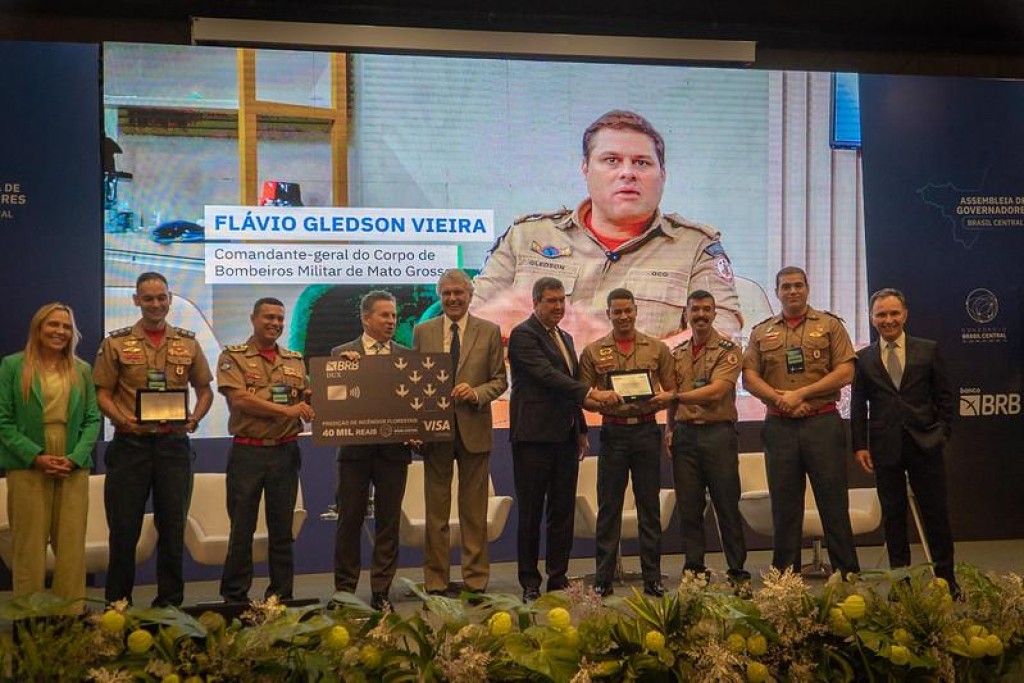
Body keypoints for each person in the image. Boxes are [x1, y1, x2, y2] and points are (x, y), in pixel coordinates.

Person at [471, 109, 742, 345]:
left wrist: (619, 355)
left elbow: (721, 335)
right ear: (586, 169)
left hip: (641, 388)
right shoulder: (525, 237)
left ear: (663, 175)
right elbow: (467, 326)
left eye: (642, 162)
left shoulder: (696, 248)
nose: (627, 173)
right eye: (611, 160)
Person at [93, 272, 214, 606]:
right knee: (124, 530)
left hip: (173, 446)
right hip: (129, 446)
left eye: (161, 297)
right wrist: (122, 420)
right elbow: (102, 393)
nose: (156, 304)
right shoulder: (115, 343)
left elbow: (205, 390)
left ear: (170, 299)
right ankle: (118, 605)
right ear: (136, 300)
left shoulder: (188, 343)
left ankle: (170, 605)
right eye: (148, 298)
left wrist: (195, 418)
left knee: (173, 529)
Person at [507, 276, 621, 602]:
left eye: (561, 300)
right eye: (551, 301)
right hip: (533, 438)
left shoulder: (566, 337)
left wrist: (581, 428)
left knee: (562, 511)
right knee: (531, 512)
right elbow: (547, 376)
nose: (558, 306)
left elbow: (567, 388)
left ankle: (557, 577)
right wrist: (591, 393)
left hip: (565, 437)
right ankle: (530, 581)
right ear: (536, 303)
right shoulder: (522, 335)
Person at [741, 266, 860, 577]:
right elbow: (750, 377)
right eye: (786, 287)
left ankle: (847, 576)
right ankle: (784, 581)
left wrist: (801, 394)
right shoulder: (761, 331)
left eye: (798, 285)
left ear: (807, 288)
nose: (792, 291)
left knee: (833, 504)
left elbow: (846, 371)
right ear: (777, 292)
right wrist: (780, 399)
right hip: (779, 427)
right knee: (784, 507)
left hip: (822, 424)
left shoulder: (830, 325)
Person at [850, 288, 957, 591]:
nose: (888, 320)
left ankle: (947, 582)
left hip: (925, 444)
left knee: (936, 516)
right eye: (881, 314)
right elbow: (857, 406)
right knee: (894, 519)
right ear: (872, 318)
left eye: (894, 313)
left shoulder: (928, 350)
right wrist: (860, 445)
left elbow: (945, 398)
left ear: (905, 315)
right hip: (885, 448)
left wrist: (941, 434)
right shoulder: (863, 358)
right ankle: (901, 586)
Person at [412, 269, 508, 596]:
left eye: (459, 293)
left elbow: (500, 380)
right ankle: (436, 581)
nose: (453, 299)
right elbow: (413, 380)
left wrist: (476, 393)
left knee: (474, 513)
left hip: (474, 430)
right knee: (435, 514)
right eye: (447, 294)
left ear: (470, 295)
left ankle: (475, 581)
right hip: (434, 434)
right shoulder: (422, 331)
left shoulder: (489, 330)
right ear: (439, 296)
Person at [0, 303, 100, 608]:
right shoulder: (13, 366)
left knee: (71, 548)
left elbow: (92, 419)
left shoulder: (82, 370)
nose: (60, 331)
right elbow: (3, 420)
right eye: (53, 325)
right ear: (38, 328)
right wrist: (35, 456)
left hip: (72, 464)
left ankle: (69, 618)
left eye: (66, 326)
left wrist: (75, 457)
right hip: (28, 464)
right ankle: (29, 619)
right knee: (28, 547)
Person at [217, 297, 314, 604]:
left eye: (280, 319)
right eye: (269, 317)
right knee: (242, 529)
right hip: (248, 453)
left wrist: (342, 375)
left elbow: (307, 397)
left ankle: (281, 597)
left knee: (282, 530)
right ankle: (235, 597)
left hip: (285, 452)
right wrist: (287, 411)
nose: (275, 323)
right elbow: (240, 400)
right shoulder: (233, 357)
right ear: (253, 319)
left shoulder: (294, 360)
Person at [578, 288, 674, 597]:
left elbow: (673, 390)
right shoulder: (593, 351)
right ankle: (603, 579)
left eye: (627, 311)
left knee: (649, 508)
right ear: (608, 314)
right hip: (613, 433)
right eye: (617, 312)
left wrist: (660, 399)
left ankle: (653, 578)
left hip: (647, 431)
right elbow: (583, 396)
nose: (623, 317)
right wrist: (600, 399)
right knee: (609, 508)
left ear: (636, 311)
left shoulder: (657, 348)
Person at [331, 290, 411, 611]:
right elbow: (335, 400)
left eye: (394, 316)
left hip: (394, 453)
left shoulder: (407, 356)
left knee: (388, 524)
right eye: (384, 315)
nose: (391, 321)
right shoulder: (341, 353)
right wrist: (346, 372)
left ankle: (381, 592)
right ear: (366, 318)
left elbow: (412, 404)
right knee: (349, 521)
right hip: (354, 453)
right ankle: (345, 592)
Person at [667, 290, 750, 586]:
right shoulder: (676, 354)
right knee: (689, 509)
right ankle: (694, 572)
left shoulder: (729, 349)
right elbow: (672, 398)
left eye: (706, 309)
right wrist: (669, 429)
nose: (701, 315)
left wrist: (676, 397)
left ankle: (737, 571)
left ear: (714, 313)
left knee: (726, 506)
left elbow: (717, 391)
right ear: (686, 314)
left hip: (718, 435)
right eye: (695, 310)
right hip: (685, 436)